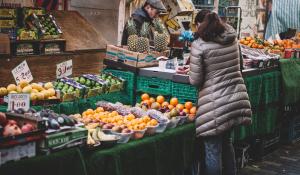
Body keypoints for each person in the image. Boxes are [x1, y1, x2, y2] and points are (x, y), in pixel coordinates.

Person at [189, 12, 252, 175]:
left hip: (215, 103)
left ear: (200, 26)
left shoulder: (199, 45)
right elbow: (240, 65)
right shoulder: (232, 40)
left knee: (212, 150)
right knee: (227, 143)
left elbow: (195, 80)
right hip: (235, 99)